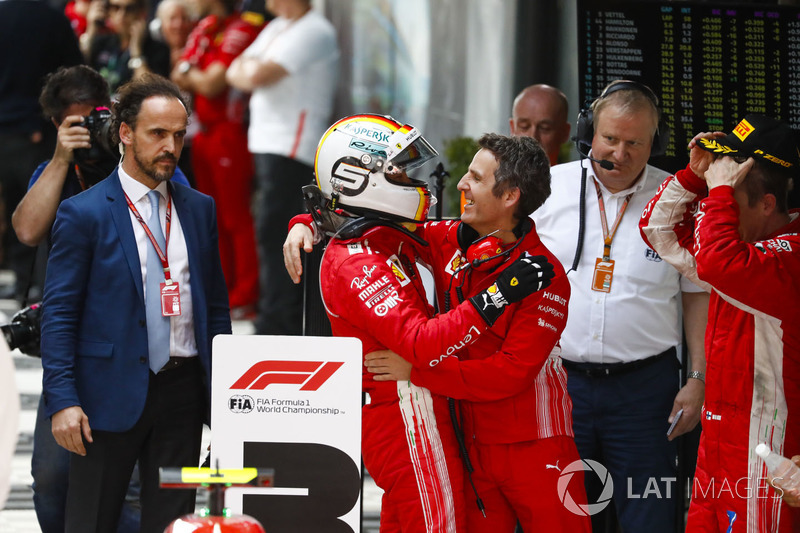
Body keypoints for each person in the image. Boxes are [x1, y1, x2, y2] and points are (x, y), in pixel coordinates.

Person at [286, 128, 589, 532]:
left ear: (511, 196)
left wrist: (417, 371)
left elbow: (511, 374)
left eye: (477, 178)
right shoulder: (445, 239)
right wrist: (308, 221)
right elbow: (370, 222)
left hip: (534, 442)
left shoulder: (544, 277)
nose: (461, 183)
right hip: (468, 442)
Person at [40, 74, 231, 532]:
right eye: (158, 134)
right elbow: (60, 314)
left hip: (182, 395)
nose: (171, 146)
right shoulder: (83, 213)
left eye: (179, 135)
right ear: (125, 133)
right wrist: (63, 399)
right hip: (106, 394)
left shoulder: (199, 208)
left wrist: (223, 395)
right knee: (92, 519)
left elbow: (215, 310)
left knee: (173, 522)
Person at [12, 65, 191, 533]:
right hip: (75, 346)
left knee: (131, 487)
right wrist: (57, 161)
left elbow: (190, 229)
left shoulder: (150, 161)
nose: (92, 132)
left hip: (141, 347)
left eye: (97, 118)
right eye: (77, 122)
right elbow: (28, 230)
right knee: (51, 479)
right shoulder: (55, 170)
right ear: (57, 125)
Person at [530, 80, 708, 532]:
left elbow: (696, 299)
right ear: (591, 132)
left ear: (656, 143)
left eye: (635, 143)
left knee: (649, 518)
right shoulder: (549, 189)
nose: (621, 153)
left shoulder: (679, 201)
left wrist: (698, 379)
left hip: (646, 393)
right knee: (559, 516)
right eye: (611, 139)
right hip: (559, 384)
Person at [640, 114, 800, 532]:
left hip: (768, 456)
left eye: (726, 200)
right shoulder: (734, 251)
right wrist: (694, 179)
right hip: (718, 444)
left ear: (766, 204)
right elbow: (657, 231)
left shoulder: (786, 255)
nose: (716, 208)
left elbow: (717, 263)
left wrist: (719, 194)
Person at [226, 0, 338, 335]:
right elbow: (235, 69)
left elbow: (254, 73)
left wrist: (250, 69)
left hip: (292, 147)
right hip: (267, 144)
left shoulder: (315, 30)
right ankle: (274, 314)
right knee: (268, 231)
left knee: (279, 232)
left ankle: (280, 322)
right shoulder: (278, 27)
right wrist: (248, 69)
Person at [172, 0, 263, 317]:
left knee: (235, 217)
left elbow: (211, 84)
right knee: (213, 215)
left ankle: (247, 294)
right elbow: (177, 70)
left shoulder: (242, 28)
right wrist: (192, 73)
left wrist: (190, 73)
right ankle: (223, 290)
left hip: (231, 132)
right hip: (204, 132)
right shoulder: (207, 25)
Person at [0, 0, 82, 302]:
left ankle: (22, 284)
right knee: (44, 209)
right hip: (36, 130)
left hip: (6, 128)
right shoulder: (52, 19)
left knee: (16, 209)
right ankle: (43, 289)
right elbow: (74, 71)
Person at [82, 0, 171, 94]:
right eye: (116, 7)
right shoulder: (101, 42)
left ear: (141, 12)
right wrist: (91, 31)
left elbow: (151, 91)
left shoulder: (157, 49)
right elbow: (77, 73)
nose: (122, 14)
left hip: (129, 107)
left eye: (129, 9)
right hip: (99, 105)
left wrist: (136, 52)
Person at [509, 84, 571, 166]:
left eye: (544, 128)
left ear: (565, 133)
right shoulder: (495, 176)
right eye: (524, 127)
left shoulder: (574, 178)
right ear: (512, 128)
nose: (533, 137)